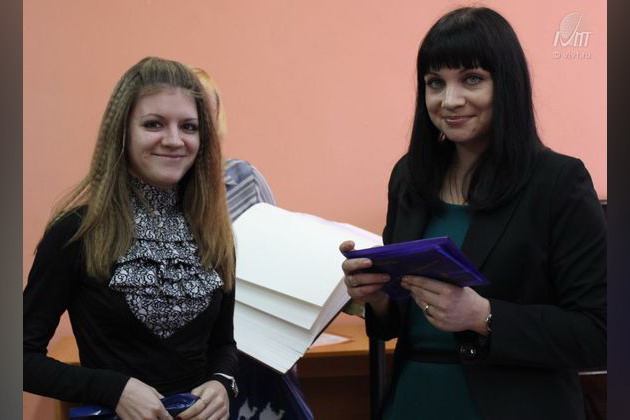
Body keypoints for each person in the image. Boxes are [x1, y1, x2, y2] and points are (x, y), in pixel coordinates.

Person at [340, 7, 606, 420]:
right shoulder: (410, 175)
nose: (449, 100)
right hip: (412, 399)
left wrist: (485, 316)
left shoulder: (558, 181)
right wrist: (377, 298)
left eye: (472, 79)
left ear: (508, 85)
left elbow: (600, 333)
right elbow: (400, 321)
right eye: (435, 83)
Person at [24, 57, 238, 420]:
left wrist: (222, 382)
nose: (174, 140)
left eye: (189, 127)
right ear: (122, 131)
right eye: (154, 124)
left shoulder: (214, 232)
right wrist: (112, 388)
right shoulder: (77, 231)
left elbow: (223, 344)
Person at [191, 67, 313, 420]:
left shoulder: (243, 179)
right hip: (190, 365)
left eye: (204, 111)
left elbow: (279, 264)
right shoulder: (155, 196)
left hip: (256, 360)